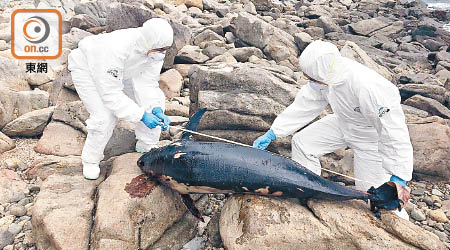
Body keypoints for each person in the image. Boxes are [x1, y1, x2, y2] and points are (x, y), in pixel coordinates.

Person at [253, 40, 413, 219]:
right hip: (343, 122)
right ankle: (308, 191)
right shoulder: (325, 77)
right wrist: (275, 131)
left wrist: (399, 177)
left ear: (322, 74)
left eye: (311, 78)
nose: (309, 81)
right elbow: (307, 102)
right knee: (303, 143)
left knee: (375, 196)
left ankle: (403, 227)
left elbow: (393, 131)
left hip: (370, 138)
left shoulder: (367, 86)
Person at [68, 18, 173, 180]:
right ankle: (90, 160)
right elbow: (110, 94)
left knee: (153, 103)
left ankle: (147, 146)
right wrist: (141, 116)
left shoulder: (155, 51)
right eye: (161, 49)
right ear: (150, 42)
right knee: (104, 117)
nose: (163, 53)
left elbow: (148, 84)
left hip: (125, 72)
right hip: (88, 68)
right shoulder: (117, 46)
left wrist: (155, 108)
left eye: (165, 50)